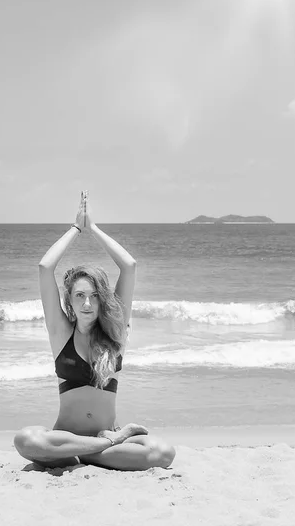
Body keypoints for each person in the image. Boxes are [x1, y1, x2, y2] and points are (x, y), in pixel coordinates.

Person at [14, 191, 176, 471]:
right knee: (24, 439)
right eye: (79, 296)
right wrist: (76, 228)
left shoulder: (116, 334)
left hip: (95, 436)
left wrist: (94, 228)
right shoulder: (60, 333)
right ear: (70, 301)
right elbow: (45, 267)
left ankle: (88, 454)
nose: (87, 303)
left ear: (102, 298)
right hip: (68, 436)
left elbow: (129, 265)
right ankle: (105, 447)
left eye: (93, 296)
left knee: (165, 453)